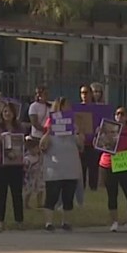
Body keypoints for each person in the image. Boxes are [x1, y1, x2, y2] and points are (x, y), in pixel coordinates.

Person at [40, 97, 83, 231]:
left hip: (70, 167)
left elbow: (81, 146)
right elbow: (42, 146)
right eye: (66, 106)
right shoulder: (50, 127)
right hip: (55, 168)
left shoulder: (74, 127)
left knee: (68, 197)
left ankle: (66, 222)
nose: (69, 109)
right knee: (51, 196)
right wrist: (49, 131)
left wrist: (77, 134)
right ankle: (49, 223)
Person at [102, 107, 127, 232]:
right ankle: (114, 222)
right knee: (112, 194)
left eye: (122, 114)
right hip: (109, 164)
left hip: (125, 164)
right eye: (117, 114)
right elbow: (99, 144)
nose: (119, 116)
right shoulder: (108, 130)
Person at [0, 101, 25, 229]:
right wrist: (1, 138)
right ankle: (0, 221)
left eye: (10, 111)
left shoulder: (20, 127)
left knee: (17, 193)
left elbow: (24, 141)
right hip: (1, 164)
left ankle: (19, 221)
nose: (7, 114)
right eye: (5, 111)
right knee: (1, 193)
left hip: (16, 164)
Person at [77, 83, 101, 204]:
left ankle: (93, 189)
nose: (84, 95)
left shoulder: (97, 109)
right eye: (82, 93)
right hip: (81, 143)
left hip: (94, 143)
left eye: (86, 93)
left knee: (93, 168)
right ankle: (82, 189)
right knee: (81, 168)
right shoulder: (77, 109)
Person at [23, 136, 45, 209]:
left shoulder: (39, 156)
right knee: (29, 190)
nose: (37, 150)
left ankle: (39, 203)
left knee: (40, 189)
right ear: (31, 149)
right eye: (36, 148)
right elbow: (25, 168)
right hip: (30, 177)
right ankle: (26, 204)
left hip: (39, 176)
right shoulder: (27, 158)